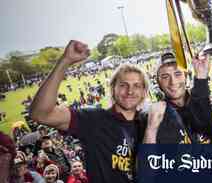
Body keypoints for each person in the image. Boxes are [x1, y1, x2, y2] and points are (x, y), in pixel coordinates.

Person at [30, 40, 149, 183]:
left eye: (137, 86)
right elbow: (40, 114)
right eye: (123, 85)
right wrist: (65, 60)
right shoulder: (93, 119)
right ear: (112, 89)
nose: (130, 91)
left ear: (144, 92)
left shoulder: (150, 123)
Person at [143, 52, 212, 144]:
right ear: (158, 83)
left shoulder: (209, 103)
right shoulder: (155, 117)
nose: (173, 82)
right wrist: (151, 129)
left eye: (177, 74)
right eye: (165, 77)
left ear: (185, 76)